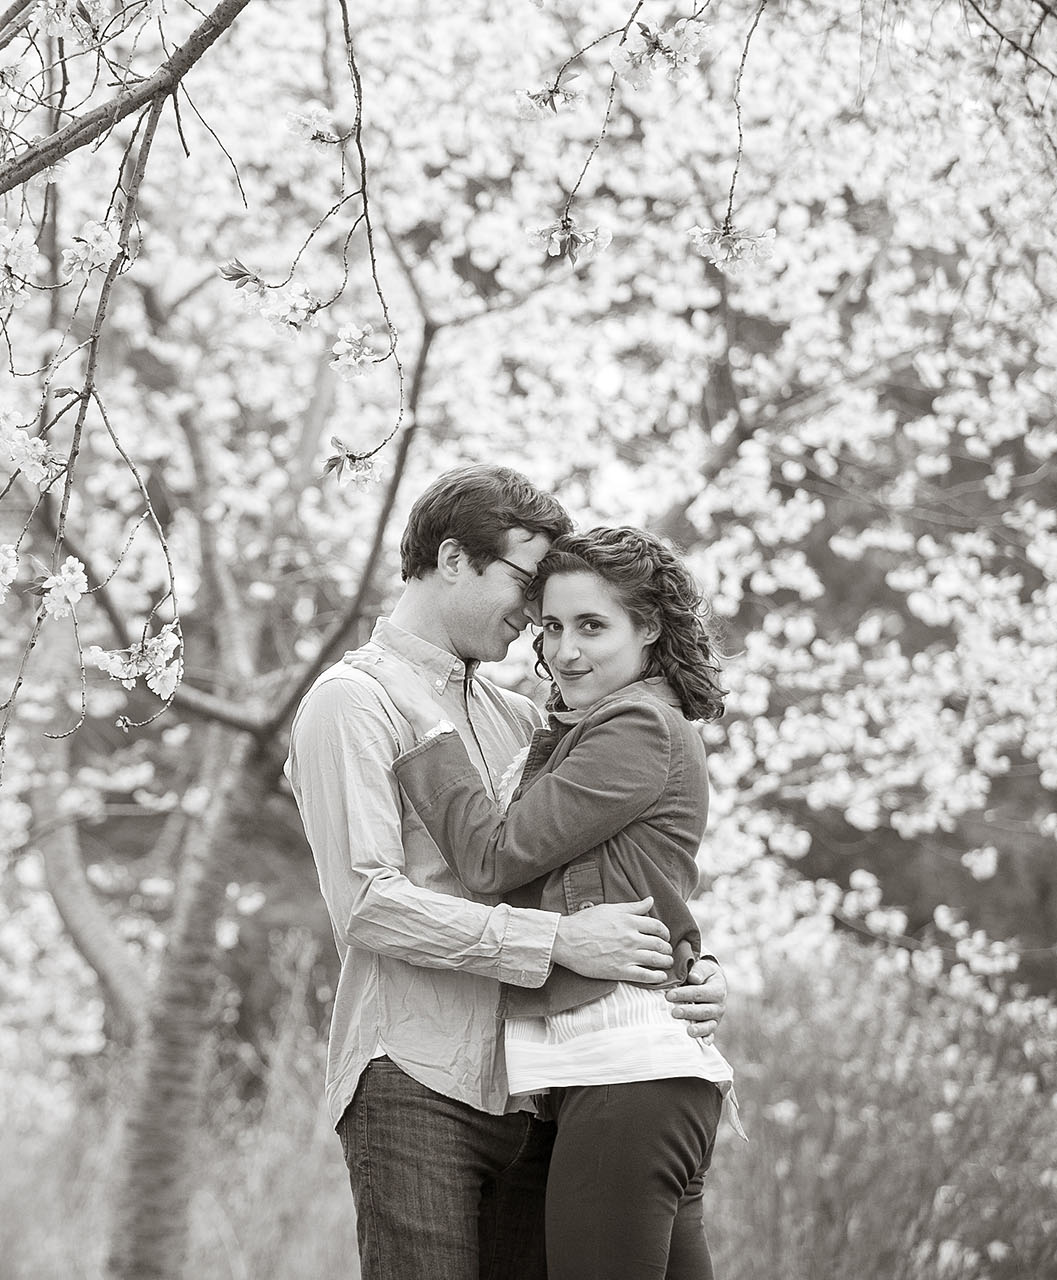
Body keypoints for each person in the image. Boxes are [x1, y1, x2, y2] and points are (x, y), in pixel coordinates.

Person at [286, 465, 727, 1280]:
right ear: (454, 560)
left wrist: (692, 966)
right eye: (526, 585)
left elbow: (614, 863)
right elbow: (368, 908)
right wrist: (557, 942)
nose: (536, 624)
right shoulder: (351, 702)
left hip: (539, 1090)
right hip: (416, 1075)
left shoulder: (521, 715)